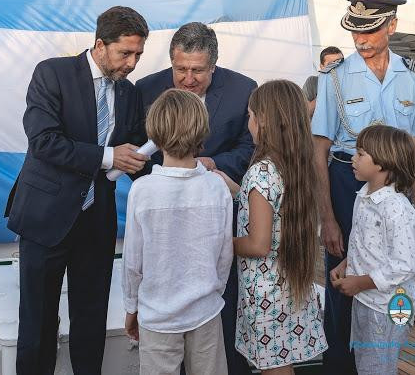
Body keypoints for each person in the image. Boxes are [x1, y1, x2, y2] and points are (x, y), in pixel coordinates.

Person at [4, 6, 150, 375]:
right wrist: (107, 156)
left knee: (91, 320)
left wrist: (174, 181)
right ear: (100, 45)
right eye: (125, 53)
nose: (132, 63)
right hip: (45, 218)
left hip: (96, 222)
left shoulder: (130, 94)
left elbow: (135, 152)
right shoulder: (52, 73)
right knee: (37, 322)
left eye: (138, 55)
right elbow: (44, 142)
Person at [136, 21, 256, 375]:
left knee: (222, 306)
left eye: (198, 71)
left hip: (216, 212)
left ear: (214, 66)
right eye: (180, 69)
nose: (188, 79)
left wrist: (212, 164)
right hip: (163, 220)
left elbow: (249, 146)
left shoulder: (243, 89)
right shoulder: (145, 89)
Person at [311, 0, 415, 374]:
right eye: (355, 31)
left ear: (392, 26)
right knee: (344, 279)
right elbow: (318, 149)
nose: (360, 39)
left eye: (370, 30)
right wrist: (327, 217)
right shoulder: (335, 78)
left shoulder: (411, 76)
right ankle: (342, 366)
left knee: (401, 278)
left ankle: (390, 357)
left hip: (400, 190)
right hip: (346, 182)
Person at [218, 80, 328, 374]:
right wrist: (237, 189)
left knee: (275, 370)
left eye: (251, 116)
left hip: (266, 298)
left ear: (264, 120)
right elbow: (273, 209)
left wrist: (218, 242)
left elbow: (258, 244)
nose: (249, 123)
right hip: (291, 286)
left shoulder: (261, 172)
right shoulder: (296, 164)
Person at [122, 88, 233, 375]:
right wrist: (213, 291)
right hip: (206, 310)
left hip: (157, 315)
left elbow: (133, 261)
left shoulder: (142, 190)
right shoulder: (216, 186)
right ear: (203, 132)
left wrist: (131, 306)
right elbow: (224, 254)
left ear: (155, 136)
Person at [330, 125, 415, 375]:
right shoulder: (363, 195)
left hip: (389, 306)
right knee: (367, 363)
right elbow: (364, 243)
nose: (352, 159)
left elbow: (405, 265)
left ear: (382, 163)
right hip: (366, 299)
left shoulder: (397, 209)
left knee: (379, 366)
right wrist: (346, 264)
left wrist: (361, 282)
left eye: (360, 154)